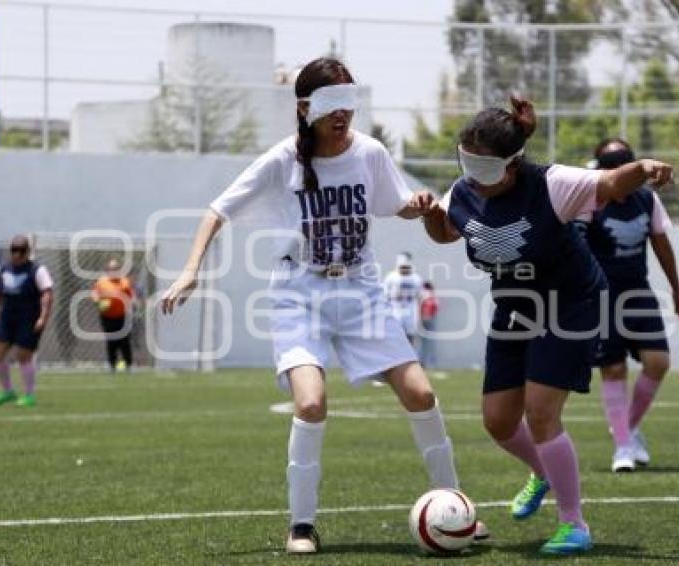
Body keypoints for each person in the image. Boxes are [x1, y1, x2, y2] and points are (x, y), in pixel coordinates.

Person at [160, 57, 487, 554]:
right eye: (332, 105)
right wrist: (189, 270)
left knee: (421, 394)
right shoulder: (283, 159)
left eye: (348, 103)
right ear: (305, 107)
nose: (343, 115)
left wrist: (420, 205)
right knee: (311, 402)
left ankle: (457, 505)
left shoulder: (370, 152)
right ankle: (301, 525)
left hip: (361, 292)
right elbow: (217, 210)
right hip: (299, 294)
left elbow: (395, 202)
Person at [422, 98, 674, 555]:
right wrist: (428, 215)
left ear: (512, 163)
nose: (473, 172)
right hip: (515, 306)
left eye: (484, 164)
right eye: (466, 160)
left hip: (572, 303)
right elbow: (445, 232)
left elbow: (613, 182)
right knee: (498, 422)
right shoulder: (462, 191)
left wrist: (645, 167)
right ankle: (543, 471)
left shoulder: (553, 184)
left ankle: (574, 523)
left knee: (540, 412)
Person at [579, 138, 679, 473]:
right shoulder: (590, 200)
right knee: (612, 369)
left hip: (637, 292)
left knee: (658, 361)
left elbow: (660, 243)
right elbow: (575, 248)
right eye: (612, 164)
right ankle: (623, 446)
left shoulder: (646, 199)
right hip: (601, 295)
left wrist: (676, 291)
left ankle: (625, 427)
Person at [0, 236, 54, 407]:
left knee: (23, 355)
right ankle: (7, 391)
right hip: (7, 317)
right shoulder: (2, 269)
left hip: (29, 318)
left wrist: (43, 317)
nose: (17, 254)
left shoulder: (37, 270)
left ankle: (29, 395)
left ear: (28, 252)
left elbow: (47, 294)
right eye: (14, 250)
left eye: (21, 250)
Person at [91, 258, 135, 373]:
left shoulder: (124, 282)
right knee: (111, 341)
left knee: (125, 341)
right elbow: (95, 294)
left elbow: (131, 297)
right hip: (107, 317)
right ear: (107, 270)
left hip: (123, 316)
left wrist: (133, 305)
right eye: (111, 268)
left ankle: (129, 365)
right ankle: (112, 366)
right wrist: (98, 302)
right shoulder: (101, 282)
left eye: (115, 268)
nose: (113, 270)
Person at [382, 252, 423, 344]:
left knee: (410, 334)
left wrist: (420, 313)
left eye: (406, 267)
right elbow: (384, 296)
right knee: (395, 334)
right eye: (402, 267)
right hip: (395, 308)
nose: (404, 270)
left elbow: (419, 296)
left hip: (410, 308)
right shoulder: (391, 277)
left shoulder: (416, 278)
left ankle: (411, 354)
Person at [418, 281, 440, 368]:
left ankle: (422, 361)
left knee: (423, 342)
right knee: (427, 343)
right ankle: (426, 361)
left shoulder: (422, 295)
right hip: (429, 319)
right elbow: (436, 306)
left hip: (422, 319)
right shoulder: (431, 295)